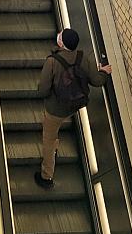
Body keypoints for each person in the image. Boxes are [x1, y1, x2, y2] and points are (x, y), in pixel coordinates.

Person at [35, 28, 112, 188]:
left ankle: (46, 176)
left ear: (61, 42)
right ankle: (54, 149)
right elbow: (97, 81)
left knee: (48, 139)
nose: (59, 34)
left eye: (60, 35)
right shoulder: (83, 57)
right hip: (73, 106)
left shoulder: (52, 62)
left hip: (54, 110)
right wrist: (104, 72)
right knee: (56, 128)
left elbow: (43, 90)